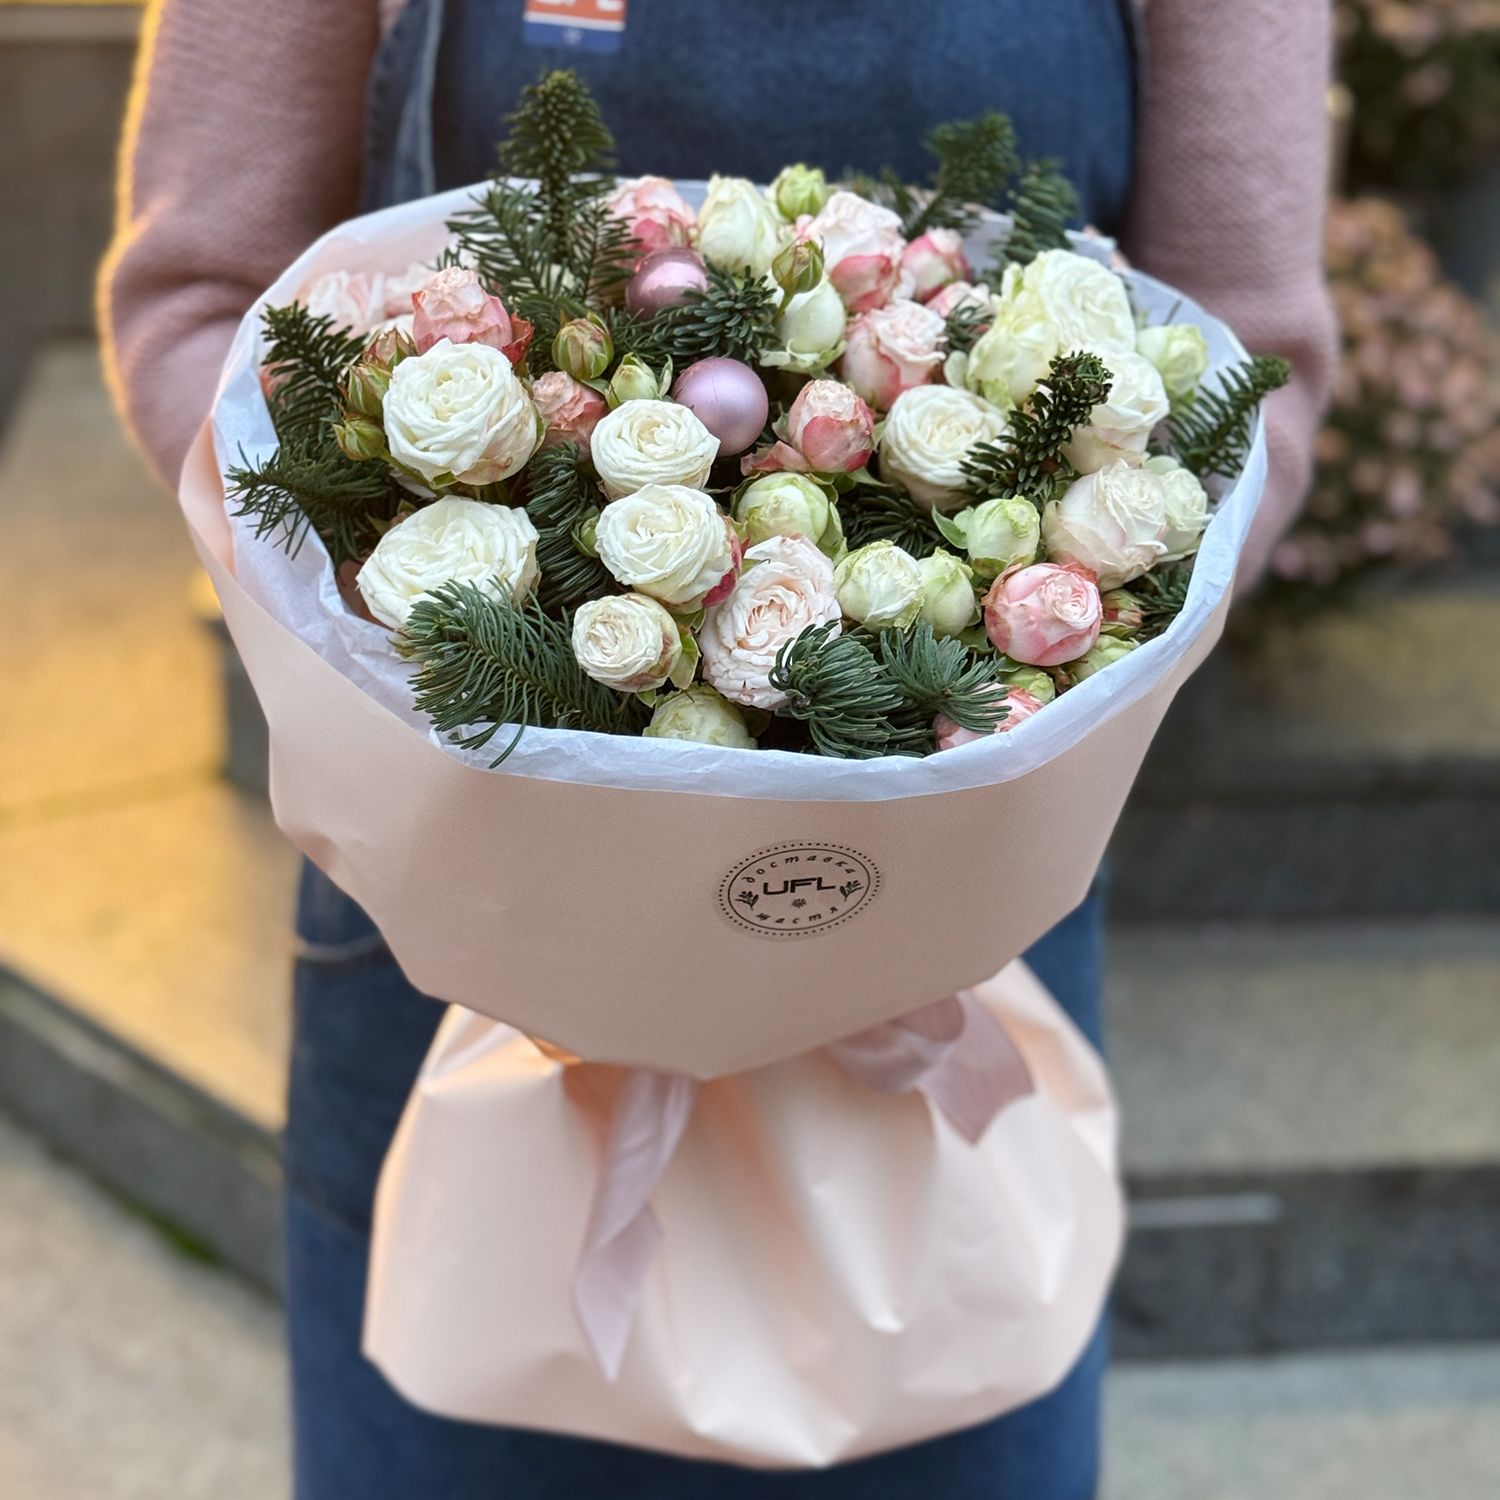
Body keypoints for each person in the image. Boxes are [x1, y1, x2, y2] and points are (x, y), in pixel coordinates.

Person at [101, 3, 1336, 1496]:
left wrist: (941, 757)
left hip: (954, 949)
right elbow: (201, 304)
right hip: (465, 952)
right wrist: (420, 648)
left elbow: (1249, 368)